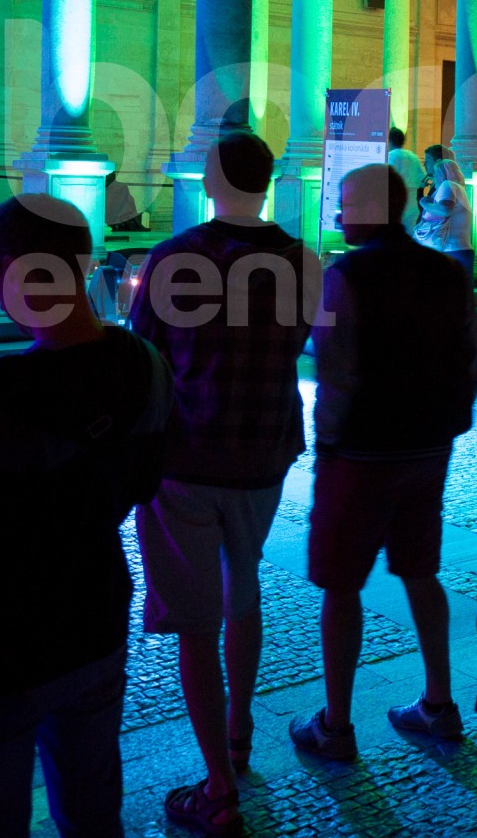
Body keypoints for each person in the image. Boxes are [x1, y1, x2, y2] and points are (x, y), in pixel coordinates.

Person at [0, 194, 169, 838]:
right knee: (92, 809)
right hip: (95, 617)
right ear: (86, 262)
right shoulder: (145, 363)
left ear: (6, 274)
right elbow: (145, 478)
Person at [128, 132, 321, 833]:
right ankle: (239, 729)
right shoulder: (303, 261)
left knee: (195, 624)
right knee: (244, 588)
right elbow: (299, 342)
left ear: (212, 181)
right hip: (263, 452)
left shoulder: (175, 258)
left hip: (186, 456)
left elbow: (142, 353)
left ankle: (217, 782)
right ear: (267, 182)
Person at [290, 164, 477, 761]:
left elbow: (336, 370)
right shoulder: (445, 272)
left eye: (345, 205)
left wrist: (327, 446)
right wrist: (449, 423)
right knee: (421, 572)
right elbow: (472, 359)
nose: (338, 215)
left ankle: (336, 724)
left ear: (371, 209)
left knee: (341, 584)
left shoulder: (345, 276)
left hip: (360, 453)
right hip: (426, 449)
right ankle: (438, 704)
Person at [415, 154, 475, 277]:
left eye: (436, 173)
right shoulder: (458, 189)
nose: (434, 177)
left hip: (450, 251)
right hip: (460, 250)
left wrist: (425, 203)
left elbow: (444, 210)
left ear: (442, 174)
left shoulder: (448, 185)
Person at [386, 127, 423, 235]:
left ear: (390, 141)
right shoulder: (413, 157)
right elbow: (423, 177)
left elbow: (387, 179)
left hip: (396, 200)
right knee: (409, 233)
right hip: (413, 201)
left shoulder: (390, 156)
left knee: (393, 234)